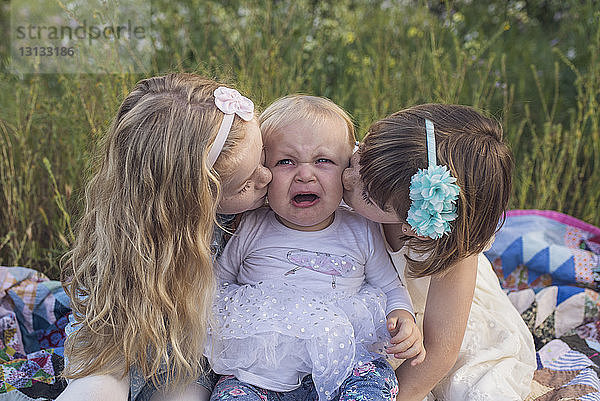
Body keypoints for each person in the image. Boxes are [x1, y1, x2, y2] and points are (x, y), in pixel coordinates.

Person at [57, 73, 272, 401]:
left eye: (265, 157)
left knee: (184, 395)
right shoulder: (132, 241)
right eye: (244, 184)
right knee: (95, 389)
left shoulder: (254, 209)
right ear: (192, 203)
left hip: (191, 354)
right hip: (116, 334)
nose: (267, 177)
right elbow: (110, 324)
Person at [205, 95, 425, 401]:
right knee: (232, 395)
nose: (305, 174)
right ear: (263, 170)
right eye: (286, 162)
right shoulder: (250, 225)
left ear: (346, 171)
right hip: (263, 369)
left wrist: (403, 317)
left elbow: (389, 286)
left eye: (323, 161)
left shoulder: (360, 228)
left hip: (347, 361)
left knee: (375, 385)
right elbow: (215, 284)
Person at [342, 103, 536, 400]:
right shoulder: (371, 165)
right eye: (360, 152)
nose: (347, 178)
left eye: (367, 195)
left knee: (474, 386)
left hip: (430, 320)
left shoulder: (446, 247)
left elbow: (439, 351)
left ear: (413, 224)